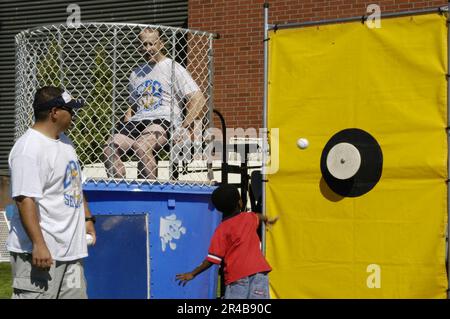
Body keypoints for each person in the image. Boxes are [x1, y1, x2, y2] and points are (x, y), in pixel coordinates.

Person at [7, 86, 97, 299]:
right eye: (70, 110)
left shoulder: (64, 141)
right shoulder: (28, 150)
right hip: (39, 253)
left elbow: (75, 184)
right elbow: (24, 200)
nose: (73, 115)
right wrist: (39, 244)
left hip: (70, 251)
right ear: (54, 112)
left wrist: (87, 218)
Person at [103, 28, 206, 179]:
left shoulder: (173, 68)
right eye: (144, 45)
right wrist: (124, 127)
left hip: (163, 120)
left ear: (161, 44)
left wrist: (183, 128)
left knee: (142, 146)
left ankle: (148, 193)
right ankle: (121, 190)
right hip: (138, 121)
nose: (148, 48)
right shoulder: (135, 74)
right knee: (109, 149)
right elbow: (133, 106)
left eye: (152, 44)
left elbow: (198, 98)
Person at [176, 184, 279, 299]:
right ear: (239, 203)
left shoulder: (222, 229)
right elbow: (258, 216)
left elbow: (212, 259)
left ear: (219, 209)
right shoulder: (248, 218)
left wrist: (193, 273)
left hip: (237, 277)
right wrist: (267, 218)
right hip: (260, 273)